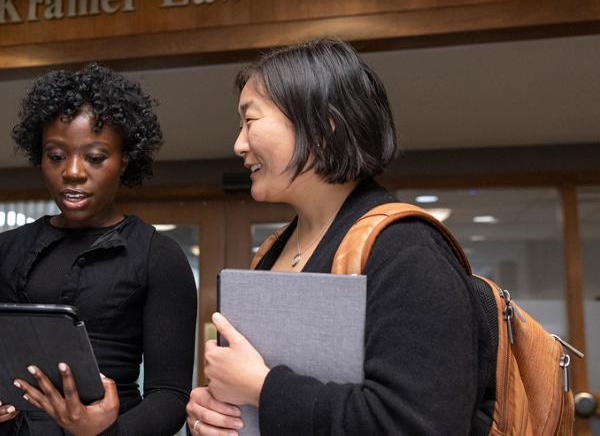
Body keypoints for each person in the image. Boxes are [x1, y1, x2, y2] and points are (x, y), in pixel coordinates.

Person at [185, 38, 482, 436]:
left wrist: (262, 389)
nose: (238, 144)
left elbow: (421, 424)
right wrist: (212, 417)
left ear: (325, 127)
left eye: (250, 120)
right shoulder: (274, 251)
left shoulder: (406, 249)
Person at [0, 63, 197, 436]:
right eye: (56, 155)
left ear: (124, 160)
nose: (73, 172)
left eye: (95, 157)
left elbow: (170, 397)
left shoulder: (158, 256)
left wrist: (104, 433)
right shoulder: (2, 250)